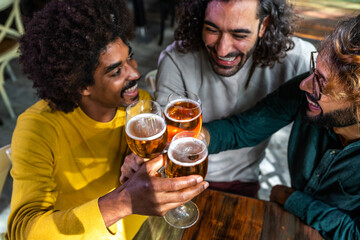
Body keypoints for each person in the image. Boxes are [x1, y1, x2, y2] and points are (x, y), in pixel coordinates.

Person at [5, 0, 208, 239]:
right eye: (116, 71)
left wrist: (139, 167)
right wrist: (124, 201)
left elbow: (153, 161)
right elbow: (22, 230)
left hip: (134, 230)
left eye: (129, 58)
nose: (135, 73)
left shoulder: (137, 107)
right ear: (81, 85)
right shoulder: (37, 128)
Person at [201, 15, 360, 239]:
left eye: (321, 82)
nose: (304, 84)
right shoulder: (308, 92)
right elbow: (244, 128)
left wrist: (291, 199)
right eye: (314, 69)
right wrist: (194, 138)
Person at [155, 0, 316, 197]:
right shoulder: (175, 59)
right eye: (211, 29)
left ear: (263, 26)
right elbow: (167, 141)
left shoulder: (298, 59)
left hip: (243, 182)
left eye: (239, 35)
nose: (222, 50)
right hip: (180, 176)